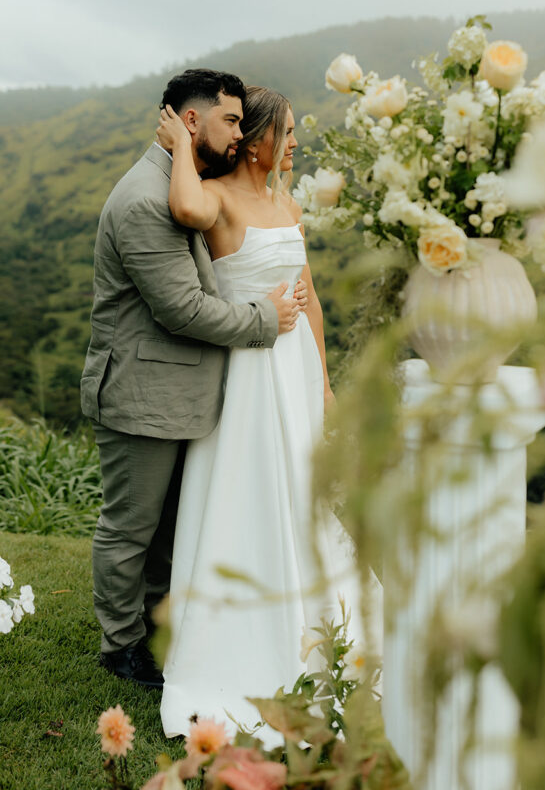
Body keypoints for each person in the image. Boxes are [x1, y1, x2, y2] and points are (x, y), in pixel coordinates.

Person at [81, 69, 305, 690]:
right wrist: (267, 316)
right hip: (143, 393)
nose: (237, 134)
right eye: (229, 121)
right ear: (188, 121)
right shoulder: (144, 201)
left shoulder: (183, 181)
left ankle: (159, 626)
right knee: (131, 527)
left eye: (241, 122)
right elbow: (182, 308)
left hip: (192, 395)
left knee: (173, 526)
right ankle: (120, 646)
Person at [156, 86, 349, 742]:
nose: (295, 143)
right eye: (287, 132)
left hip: (294, 369)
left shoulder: (286, 202)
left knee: (302, 488)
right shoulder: (222, 201)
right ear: (258, 139)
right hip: (249, 372)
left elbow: (311, 301)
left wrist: (323, 383)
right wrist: (184, 143)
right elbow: (183, 202)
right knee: (252, 489)